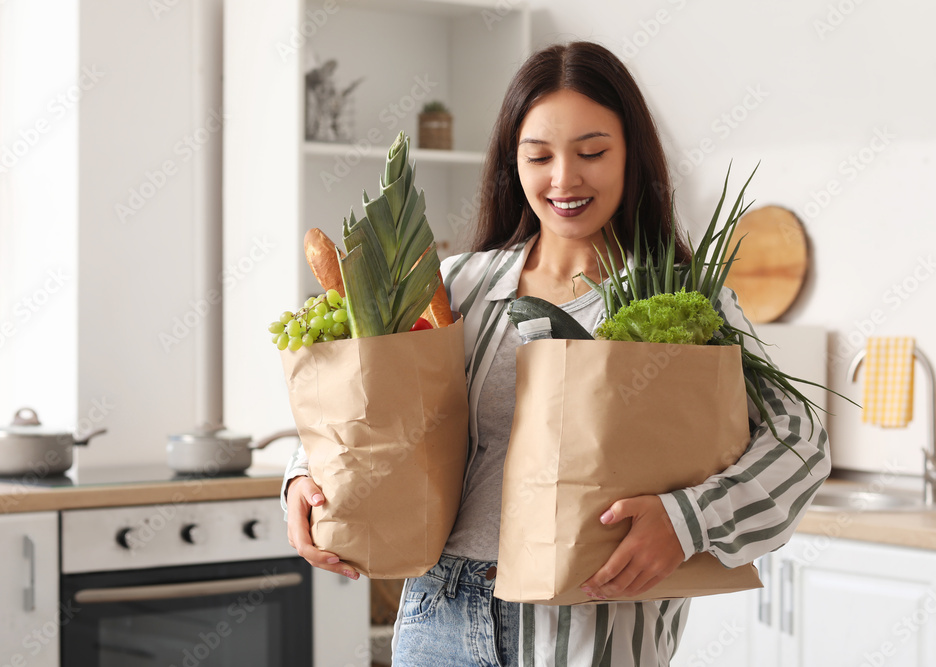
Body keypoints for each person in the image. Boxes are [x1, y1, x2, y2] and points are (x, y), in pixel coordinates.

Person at [282, 40, 830, 666]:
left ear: (631, 155)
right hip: (441, 611)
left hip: (591, 626)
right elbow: (372, 398)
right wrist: (304, 477)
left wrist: (688, 520)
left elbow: (799, 439)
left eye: (592, 152)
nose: (564, 179)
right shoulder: (456, 286)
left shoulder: (685, 299)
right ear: (511, 164)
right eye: (538, 156)